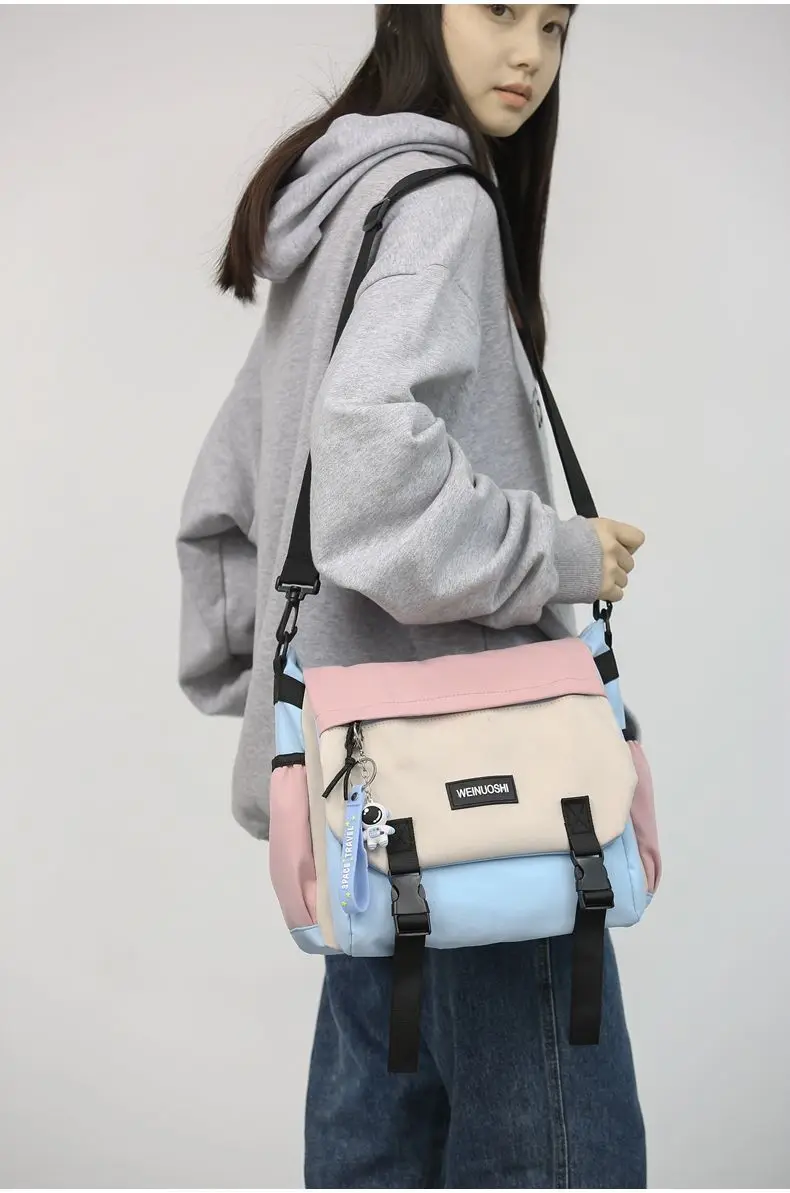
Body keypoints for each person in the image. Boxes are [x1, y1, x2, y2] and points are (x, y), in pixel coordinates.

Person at [177, 5, 648, 1187]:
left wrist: (290, 699)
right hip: (498, 818)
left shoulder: (331, 212)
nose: (530, 53)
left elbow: (225, 510)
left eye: (557, 23)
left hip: (360, 819)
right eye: (498, 9)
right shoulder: (443, 206)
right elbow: (368, 475)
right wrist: (561, 553)